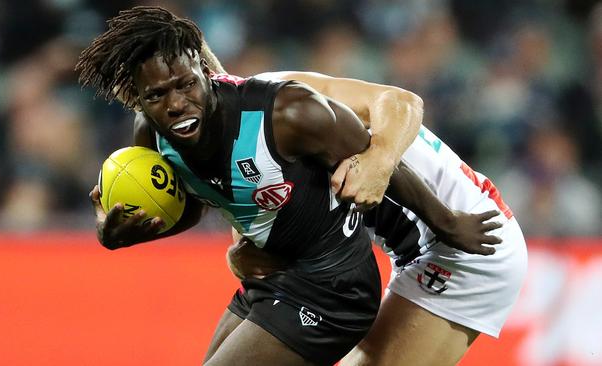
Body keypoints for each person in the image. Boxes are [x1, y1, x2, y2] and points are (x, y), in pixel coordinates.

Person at [76, 7, 503, 366]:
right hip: (284, 280)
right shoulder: (155, 134)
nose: (176, 104)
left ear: (204, 69)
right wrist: (135, 232)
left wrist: (435, 211)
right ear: (136, 97)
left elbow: (389, 129)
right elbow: (196, 203)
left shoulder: (288, 109)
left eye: (187, 83)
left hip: (361, 276)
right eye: (157, 95)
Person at [220, 75, 528, 364]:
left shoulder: (277, 94)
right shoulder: (222, 150)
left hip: (466, 238)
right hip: (424, 240)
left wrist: (378, 160)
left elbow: (402, 101)